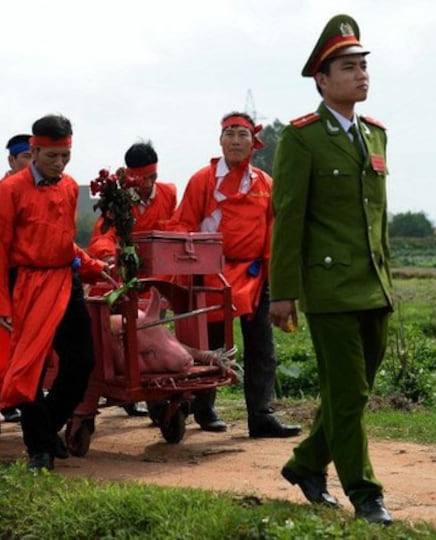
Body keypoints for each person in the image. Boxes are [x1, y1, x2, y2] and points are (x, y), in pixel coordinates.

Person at [269, 14, 393, 525]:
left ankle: (305, 464)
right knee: (347, 394)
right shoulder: (303, 139)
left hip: (375, 287)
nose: (360, 74)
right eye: (348, 66)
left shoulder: (376, 135)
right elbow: (288, 218)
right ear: (322, 80)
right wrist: (283, 293)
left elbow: (376, 218)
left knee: (352, 395)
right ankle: (367, 496)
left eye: (363, 65)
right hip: (330, 290)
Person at [170, 112, 301, 439]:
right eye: (229, 133)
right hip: (213, 273)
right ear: (220, 140)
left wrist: (275, 277)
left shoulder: (265, 183)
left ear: (253, 143)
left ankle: (261, 414)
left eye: (242, 134)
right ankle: (204, 407)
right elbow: (184, 223)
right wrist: (189, 270)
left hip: (254, 275)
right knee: (212, 345)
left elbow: (273, 231)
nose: (235, 140)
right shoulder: (203, 179)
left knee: (262, 347)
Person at [0, 114, 106, 470]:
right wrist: (0, 304)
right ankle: (39, 448)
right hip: (25, 283)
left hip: (64, 282)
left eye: (65, 156)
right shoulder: (10, 190)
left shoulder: (69, 186)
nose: (59, 164)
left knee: (82, 361)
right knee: (30, 369)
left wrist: (94, 267)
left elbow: (66, 241)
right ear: (35, 150)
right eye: (51, 156)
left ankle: (44, 427)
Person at [87, 141, 177, 417]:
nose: (148, 184)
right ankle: (132, 387)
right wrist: (108, 255)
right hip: (126, 280)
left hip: (159, 280)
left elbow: (176, 227)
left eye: (153, 177)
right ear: (130, 176)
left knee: (156, 338)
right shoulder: (117, 199)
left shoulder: (169, 193)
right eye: (142, 178)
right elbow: (103, 235)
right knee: (128, 335)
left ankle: (157, 397)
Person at [0, 133, 34, 424]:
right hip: (10, 274)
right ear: (12, 160)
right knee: (10, 340)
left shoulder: (42, 188)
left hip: (37, 276)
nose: (32, 163)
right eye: (26, 158)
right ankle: (7, 398)